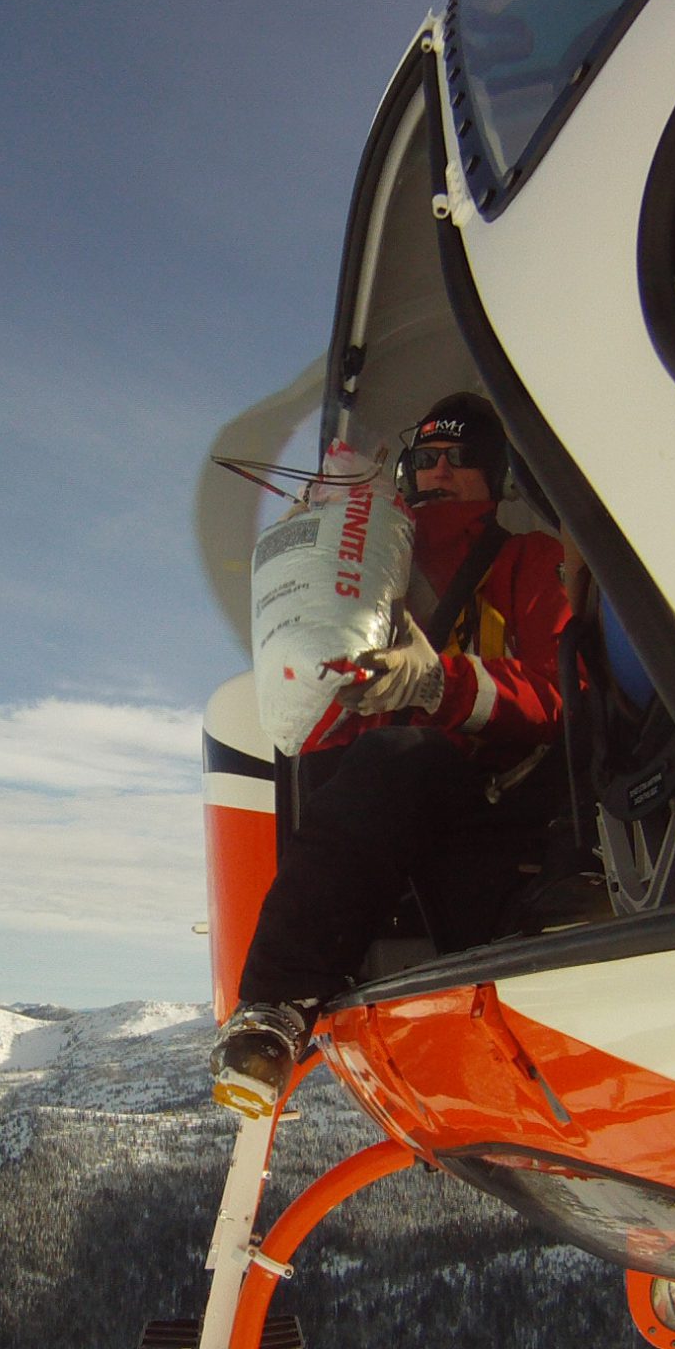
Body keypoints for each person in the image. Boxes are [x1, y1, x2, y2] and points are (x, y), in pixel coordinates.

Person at [210, 392, 577, 1117]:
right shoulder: (371, 557)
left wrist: (441, 683)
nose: (437, 473)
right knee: (344, 768)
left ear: (493, 474)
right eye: (425, 460)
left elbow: (558, 698)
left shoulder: (528, 559)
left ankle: (277, 999)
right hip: (394, 802)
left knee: (400, 761)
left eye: (458, 460)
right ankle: (286, 1016)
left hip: (499, 785)